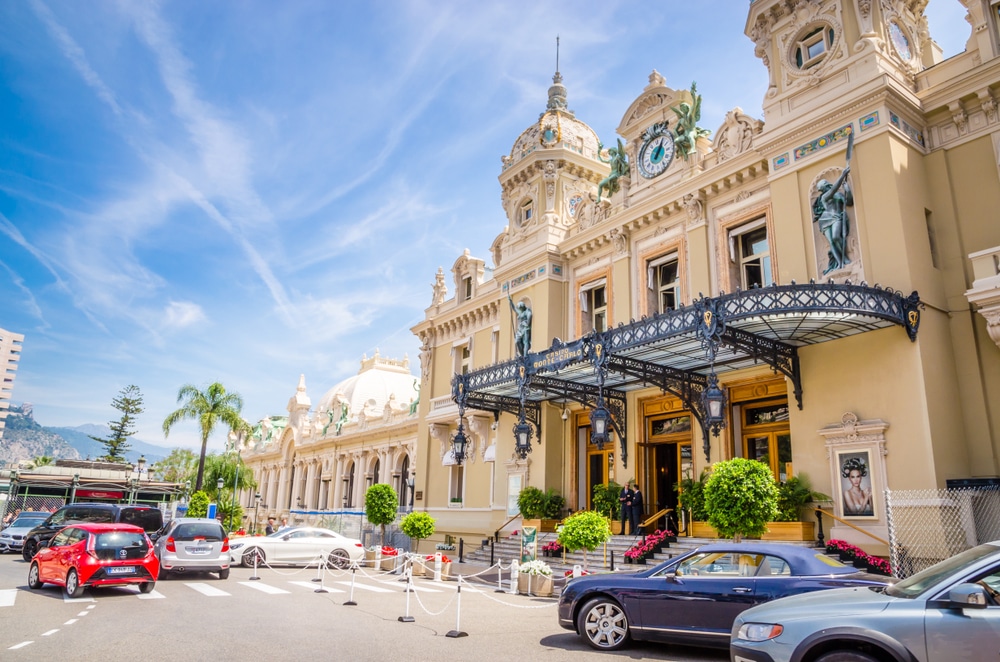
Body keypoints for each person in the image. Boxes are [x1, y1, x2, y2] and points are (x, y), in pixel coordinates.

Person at [813, 166, 853, 274]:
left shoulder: (839, 195)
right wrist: (843, 175)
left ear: (826, 186)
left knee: (836, 237)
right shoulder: (824, 197)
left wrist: (848, 190)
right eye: (821, 190)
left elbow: (849, 202)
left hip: (837, 217)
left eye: (823, 189)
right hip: (825, 220)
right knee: (832, 242)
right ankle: (840, 263)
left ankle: (845, 259)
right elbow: (833, 190)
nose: (822, 191)